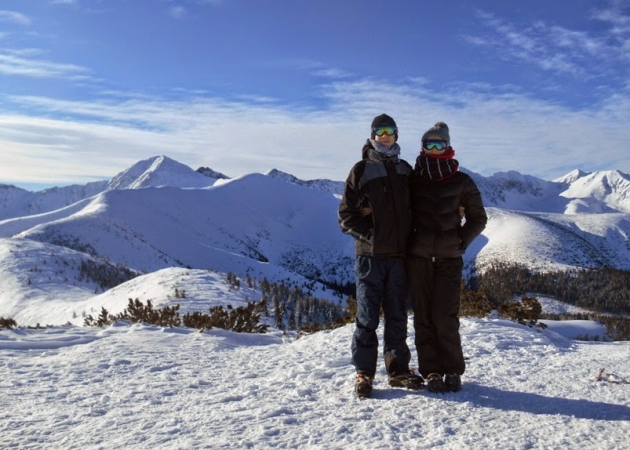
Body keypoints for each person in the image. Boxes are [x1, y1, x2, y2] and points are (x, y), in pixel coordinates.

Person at [338, 113, 423, 398]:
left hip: (399, 257)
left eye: (389, 130)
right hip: (370, 258)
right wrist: (372, 237)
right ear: (373, 136)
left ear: (397, 135)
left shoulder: (405, 170)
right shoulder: (361, 170)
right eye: (379, 131)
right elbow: (346, 217)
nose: (384, 135)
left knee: (397, 316)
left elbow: (419, 208)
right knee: (367, 317)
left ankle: (398, 370)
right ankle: (364, 373)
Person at [406, 122, 487, 393]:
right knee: (423, 318)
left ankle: (452, 369)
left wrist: (460, 241)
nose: (433, 148)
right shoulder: (413, 179)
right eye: (428, 144)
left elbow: (478, 217)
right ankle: (431, 372)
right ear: (422, 147)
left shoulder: (462, 181)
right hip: (418, 259)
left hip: (449, 259)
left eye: (438, 143)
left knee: (445, 316)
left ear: (448, 146)